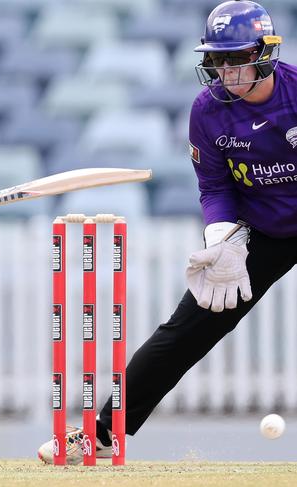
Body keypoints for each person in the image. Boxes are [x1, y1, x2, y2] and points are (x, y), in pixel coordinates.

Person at [38, 0, 295, 463]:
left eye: (237, 58)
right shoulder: (208, 110)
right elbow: (215, 185)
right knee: (189, 326)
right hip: (263, 229)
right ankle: (102, 433)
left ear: (265, 52)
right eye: (217, 60)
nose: (227, 72)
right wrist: (220, 239)